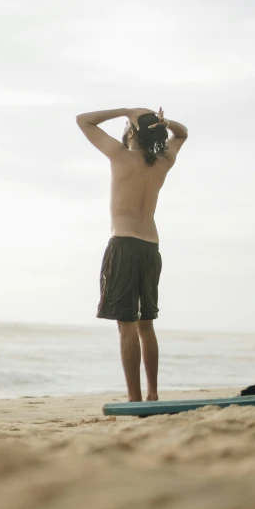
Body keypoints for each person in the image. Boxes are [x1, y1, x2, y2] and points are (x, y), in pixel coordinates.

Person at [75, 106, 188, 402]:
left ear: (131, 131)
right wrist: (162, 122)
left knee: (126, 329)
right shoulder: (163, 162)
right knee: (146, 326)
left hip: (124, 245)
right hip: (151, 248)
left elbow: (82, 120)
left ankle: (134, 399)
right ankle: (152, 393)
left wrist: (127, 110)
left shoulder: (120, 156)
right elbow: (182, 132)